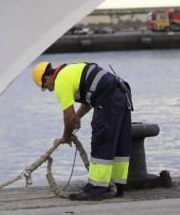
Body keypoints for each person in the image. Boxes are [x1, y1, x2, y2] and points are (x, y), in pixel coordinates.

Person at [32, 61, 133, 201]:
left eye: (46, 87)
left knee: (101, 141)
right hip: (122, 94)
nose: (49, 90)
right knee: (118, 143)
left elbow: (68, 116)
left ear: (47, 78)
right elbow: (89, 100)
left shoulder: (61, 81)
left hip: (109, 98)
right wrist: (78, 117)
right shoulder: (71, 71)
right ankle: (116, 186)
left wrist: (66, 136)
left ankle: (95, 189)